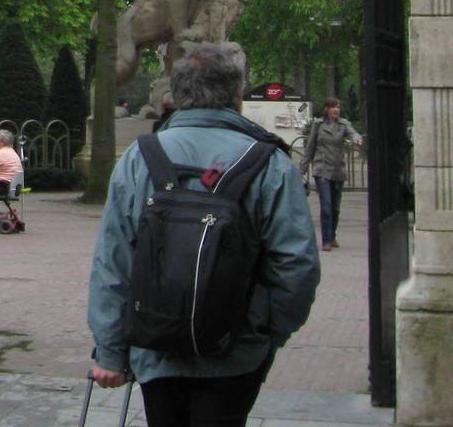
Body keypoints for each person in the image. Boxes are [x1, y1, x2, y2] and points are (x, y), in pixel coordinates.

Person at [87, 43, 319, 427]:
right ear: (237, 94)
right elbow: (296, 263)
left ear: (176, 94)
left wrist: (111, 351)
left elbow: (113, 260)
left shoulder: (138, 157)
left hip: (155, 344)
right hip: (237, 348)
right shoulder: (269, 163)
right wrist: (267, 331)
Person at [300, 97, 363, 252]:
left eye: (338, 107)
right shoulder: (318, 125)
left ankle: (333, 236)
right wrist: (302, 169)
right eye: (333, 107)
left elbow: (354, 133)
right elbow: (310, 147)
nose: (336, 109)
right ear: (327, 109)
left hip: (338, 170)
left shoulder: (344, 124)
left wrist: (357, 140)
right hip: (322, 169)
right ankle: (326, 240)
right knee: (326, 206)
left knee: (335, 207)